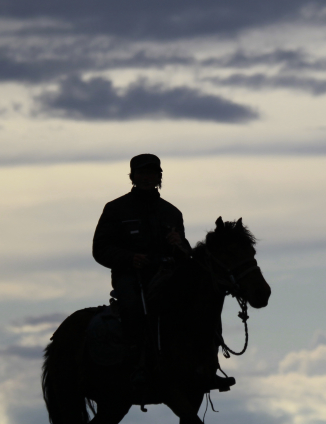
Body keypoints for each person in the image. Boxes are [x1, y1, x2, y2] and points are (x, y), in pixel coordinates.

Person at [92, 154, 228, 393]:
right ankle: (137, 365)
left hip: (167, 275)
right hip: (131, 276)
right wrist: (129, 258)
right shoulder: (115, 209)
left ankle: (208, 366)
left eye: (152, 173)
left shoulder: (172, 213)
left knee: (202, 304)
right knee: (134, 307)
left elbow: (185, 255)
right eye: (142, 173)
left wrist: (181, 246)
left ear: (159, 177)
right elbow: (100, 249)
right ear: (132, 176)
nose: (147, 177)